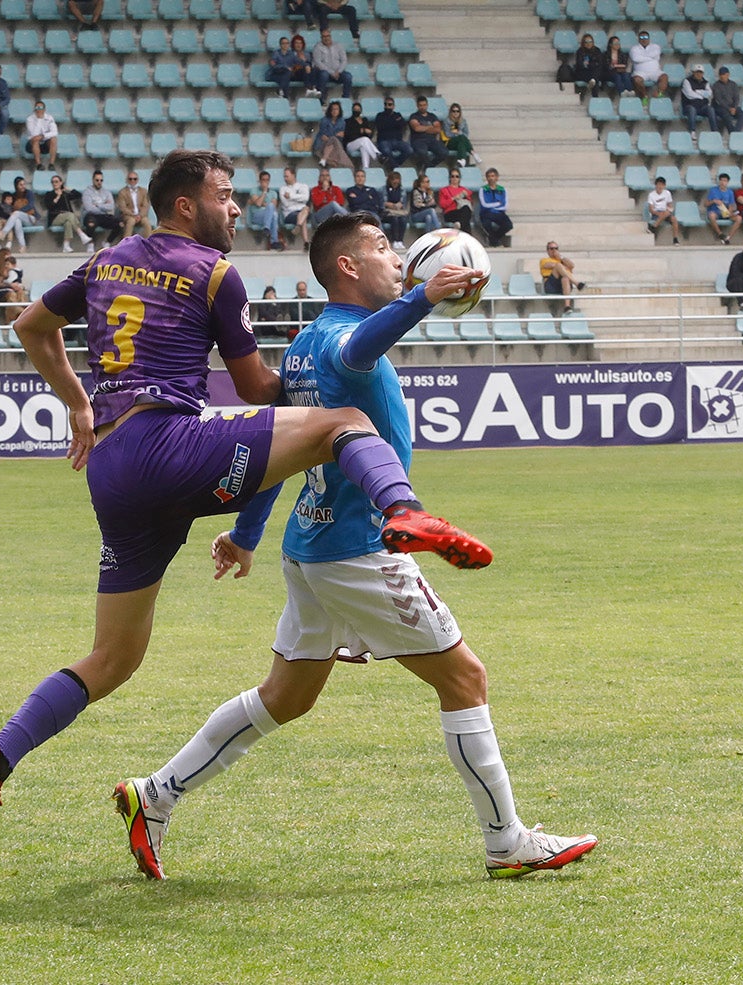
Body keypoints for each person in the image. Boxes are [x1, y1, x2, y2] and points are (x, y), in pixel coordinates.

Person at [0, 150, 492, 860]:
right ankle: (404, 511)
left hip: (111, 465)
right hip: (168, 443)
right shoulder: (214, 273)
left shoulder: (106, 260)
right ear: (185, 206)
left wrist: (79, 405)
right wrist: (301, 382)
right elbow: (253, 386)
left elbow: (29, 326)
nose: (235, 209)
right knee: (343, 427)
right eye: (226, 196)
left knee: (112, 657)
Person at [111, 211, 597, 882]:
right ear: (348, 266)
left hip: (309, 544)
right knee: (465, 679)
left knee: (285, 696)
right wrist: (421, 299)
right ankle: (505, 840)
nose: (396, 258)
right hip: (360, 546)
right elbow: (361, 349)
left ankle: (155, 793)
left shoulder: (304, 344)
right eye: (380, 249)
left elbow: (280, 445)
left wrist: (246, 534)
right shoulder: (341, 339)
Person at [45, 173, 93, 254]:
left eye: (56, 182)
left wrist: (68, 189)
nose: (54, 184)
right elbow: (49, 206)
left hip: (67, 218)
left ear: (61, 183)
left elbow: (78, 195)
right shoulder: (49, 194)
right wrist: (57, 197)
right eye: (53, 182)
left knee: (68, 223)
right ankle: (81, 234)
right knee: (70, 215)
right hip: (55, 218)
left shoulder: (65, 194)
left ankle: (66, 246)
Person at [540, 241, 586, 312]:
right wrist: (563, 266)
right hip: (551, 285)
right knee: (558, 265)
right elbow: (550, 265)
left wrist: (560, 257)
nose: (554, 250)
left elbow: (572, 265)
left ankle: (567, 306)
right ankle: (577, 283)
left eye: (556, 248)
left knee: (565, 278)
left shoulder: (562, 260)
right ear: (548, 250)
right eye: (552, 248)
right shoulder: (544, 260)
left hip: (564, 284)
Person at [81, 170, 123, 247]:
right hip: (91, 215)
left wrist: (98, 205)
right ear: (93, 180)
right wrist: (104, 205)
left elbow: (111, 206)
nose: (99, 182)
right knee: (91, 224)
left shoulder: (106, 192)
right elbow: (89, 208)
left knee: (119, 224)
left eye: (101, 180)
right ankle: (90, 245)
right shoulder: (87, 192)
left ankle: (107, 242)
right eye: (97, 180)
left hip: (103, 215)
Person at [0, 177, 40, 252]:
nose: (23, 186)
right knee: (16, 221)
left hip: (31, 218)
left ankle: (3, 233)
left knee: (16, 213)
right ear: (16, 186)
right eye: (20, 185)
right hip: (20, 219)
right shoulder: (14, 196)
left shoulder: (29, 193)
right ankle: (23, 246)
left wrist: (19, 212)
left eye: (24, 184)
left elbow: (31, 205)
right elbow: (5, 205)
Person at [311, 28, 353, 103]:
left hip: (338, 73)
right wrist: (331, 73)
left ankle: (345, 99)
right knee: (324, 75)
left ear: (330, 36)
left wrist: (339, 72)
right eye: (324, 36)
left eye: (328, 36)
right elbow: (318, 63)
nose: (326, 38)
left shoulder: (338, 46)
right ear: (321, 38)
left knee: (348, 76)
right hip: (325, 73)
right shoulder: (317, 47)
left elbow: (344, 60)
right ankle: (320, 99)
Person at [407, 94, 447, 170]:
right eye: (420, 105)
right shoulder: (414, 116)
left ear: (427, 105)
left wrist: (423, 128)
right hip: (418, 140)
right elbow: (416, 128)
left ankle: (428, 167)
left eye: (424, 105)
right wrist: (430, 127)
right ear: (417, 106)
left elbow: (438, 129)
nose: (423, 107)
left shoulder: (432, 116)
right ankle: (427, 168)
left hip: (432, 140)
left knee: (444, 152)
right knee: (422, 152)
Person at [629, 28, 668, 103]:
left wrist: (642, 57)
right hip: (640, 72)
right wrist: (651, 58)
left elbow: (656, 54)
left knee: (664, 77)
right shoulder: (634, 48)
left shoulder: (655, 46)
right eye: (642, 38)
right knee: (637, 80)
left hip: (655, 72)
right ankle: (644, 96)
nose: (644, 39)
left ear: (649, 38)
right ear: (638, 39)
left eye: (646, 37)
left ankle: (658, 94)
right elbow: (635, 58)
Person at [249, 169, 283, 251]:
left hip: (269, 216)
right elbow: (258, 204)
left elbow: (273, 207)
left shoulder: (273, 193)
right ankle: (273, 240)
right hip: (257, 216)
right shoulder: (254, 190)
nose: (265, 182)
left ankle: (267, 230)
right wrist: (264, 192)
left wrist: (264, 204)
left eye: (267, 180)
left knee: (274, 215)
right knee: (272, 213)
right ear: (260, 181)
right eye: (263, 180)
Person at [373, 95, 412, 168]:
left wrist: (390, 123)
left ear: (393, 106)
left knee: (409, 150)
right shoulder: (380, 115)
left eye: (389, 104)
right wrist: (395, 122)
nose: (387, 106)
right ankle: (396, 168)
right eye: (385, 104)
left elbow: (403, 125)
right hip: (384, 141)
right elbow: (381, 127)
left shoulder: (398, 114)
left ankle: (393, 165)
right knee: (386, 151)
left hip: (398, 141)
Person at [477, 168, 512, 247]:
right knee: (486, 224)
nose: (491, 178)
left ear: (497, 177)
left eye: (493, 176)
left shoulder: (502, 190)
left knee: (508, 225)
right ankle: (495, 241)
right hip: (486, 213)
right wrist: (498, 204)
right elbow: (484, 204)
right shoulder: (483, 189)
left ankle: (493, 239)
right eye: (489, 176)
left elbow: (505, 206)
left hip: (499, 213)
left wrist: (494, 207)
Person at [0, 247, 29, 324]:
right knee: (12, 295)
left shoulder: (12, 270)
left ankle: (23, 312)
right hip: (3, 292)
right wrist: (9, 285)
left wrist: (18, 286)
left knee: (21, 292)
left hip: (14, 290)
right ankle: (20, 313)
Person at [314, 100, 354, 169]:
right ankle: (348, 164)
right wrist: (336, 135)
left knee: (334, 140)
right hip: (322, 145)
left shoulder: (342, 121)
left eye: (336, 109)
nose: (335, 111)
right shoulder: (324, 120)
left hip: (334, 146)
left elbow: (341, 138)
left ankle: (325, 159)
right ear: (330, 110)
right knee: (333, 139)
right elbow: (324, 136)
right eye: (333, 109)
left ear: (339, 110)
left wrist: (341, 135)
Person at [679, 66, 718, 135]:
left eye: (701, 72)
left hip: (702, 106)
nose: (699, 74)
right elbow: (689, 94)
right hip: (689, 105)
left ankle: (714, 132)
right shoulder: (687, 81)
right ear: (693, 73)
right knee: (692, 110)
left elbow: (709, 94)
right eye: (697, 72)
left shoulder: (705, 82)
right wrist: (702, 94)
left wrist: (697, 91)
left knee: (711, 109)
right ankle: (692, 132)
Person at [279, 166, 311, 249]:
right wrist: (299, 199)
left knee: (305, 210)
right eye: (284, 176)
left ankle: (298, 226)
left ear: (293, 175)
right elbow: (286, 203)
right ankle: (306, 241)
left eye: (287, 176)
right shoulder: (283, 189)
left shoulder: (303, 186)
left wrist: (291, 196)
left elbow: (306, 198)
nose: (285, 178)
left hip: (302, 211)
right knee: (304, 214)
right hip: (290, 213)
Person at [116, 170, 153, 239]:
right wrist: (134, 215)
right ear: (127, 180)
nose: (132, 181)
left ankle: (148, 243)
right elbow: (123, 208)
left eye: (134, 179)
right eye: (130, 179)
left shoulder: (143, 191)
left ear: (137, 180)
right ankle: (126, 244)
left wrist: (140, 215)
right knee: (131, 222)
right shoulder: (122, 192)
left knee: (147, 223)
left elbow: (146, 206)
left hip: (141, 216)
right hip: (129, 216)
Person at [343, 102, 380, 171]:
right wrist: (362, 130)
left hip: (362, 143)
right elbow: (348, 134)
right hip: (351, 144)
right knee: (364, 140)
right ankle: (377, 155)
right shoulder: (348, 121)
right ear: (352, 110)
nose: (356, 111)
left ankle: (366, 169)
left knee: (364, 146)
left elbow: (369, 133)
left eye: (358, 109)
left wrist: (368, 132)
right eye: (355, 109)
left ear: (361, 110)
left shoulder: (364, 120)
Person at [24, 100, 59, 171]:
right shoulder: (30, 119)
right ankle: (38, 164)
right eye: (37, 108)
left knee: (54, 139)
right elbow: (34, 134)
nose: (39, 110)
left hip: (44, 142)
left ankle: (51, 164)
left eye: (41, 108)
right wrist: (39, 119)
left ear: (44, 109)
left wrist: (43, 136)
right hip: (32, 144)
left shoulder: (49, 118)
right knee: (35, 140)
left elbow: (55, 132)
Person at [437, 166, 474, 232]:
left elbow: (470, 203)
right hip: (450, 213)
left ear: (459, 178)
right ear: (449, 178)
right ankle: (466, 238)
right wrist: (453, 198)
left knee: (466, 212)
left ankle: (459, 225)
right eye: (452, 176)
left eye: (457, 176)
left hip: (462, 212)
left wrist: (466, 196)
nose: (454, 178)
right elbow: (442, 205)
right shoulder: (444, 190)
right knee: (466, 220)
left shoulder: (464, 190)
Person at [646, 175, 681, 245]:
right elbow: (651, 209)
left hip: (665, 212)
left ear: (664, 186)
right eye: (658, 184)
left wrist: (668, 211)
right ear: (655, 185)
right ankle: (654, 226)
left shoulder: (667, 193)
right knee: (665, 213)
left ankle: (675, 239)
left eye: (662, 185)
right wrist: (660, 214)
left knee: (674, 219)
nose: (660, 187)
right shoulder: (651, 195)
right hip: (656, 213)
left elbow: (670, 205)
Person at [712, 66, 743, 133]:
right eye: (721, 75)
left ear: (728, 75)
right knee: (726, 116)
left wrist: (734, 107)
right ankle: (732, 133)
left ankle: (736, 132)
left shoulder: (733, 84)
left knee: (742, 115)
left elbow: (736, 98)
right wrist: (729, 109)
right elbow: (719, 100)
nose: (722, 76)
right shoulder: (716, 85)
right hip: (720, 107)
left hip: (732, 106)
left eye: (724, 75)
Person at [705, 172, 736, 244]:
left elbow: (731, 205)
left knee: (739, 218)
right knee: (711, 215)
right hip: (715, 212)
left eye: (725, 181)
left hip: (725, 212)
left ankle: (728, 237)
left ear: (727, 182)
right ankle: (720, 234)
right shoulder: (713, 190)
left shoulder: (730, 192)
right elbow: (705, 204)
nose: (723, 182)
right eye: (721, 180)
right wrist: (713, 201)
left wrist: (729, 212)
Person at [382, 170, 409, 249]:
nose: (395, 181)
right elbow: (383, 203)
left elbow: (402, 203)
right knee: (395, 219)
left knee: (403, 219)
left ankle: (400, 240)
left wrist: (392, 205)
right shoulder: (384, 189)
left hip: (398, 212)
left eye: (397, 179)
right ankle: (394, 240)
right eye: (393, 179)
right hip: (387, 213)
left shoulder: (402, 190)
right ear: (389, 180)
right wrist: (391, 205)